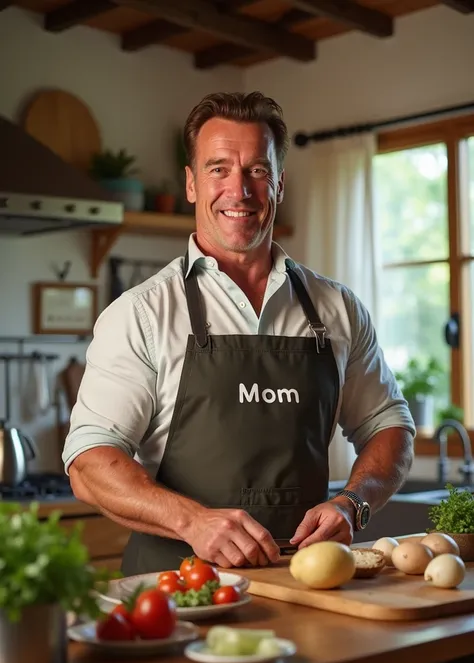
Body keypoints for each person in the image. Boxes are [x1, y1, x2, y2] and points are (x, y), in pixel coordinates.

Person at [63, 92, 415, 576]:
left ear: (280, 184)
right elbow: (89, 460)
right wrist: (193, 522)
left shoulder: (338, 308)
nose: (239, 190)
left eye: (257, 171)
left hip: (306, 588)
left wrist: (354, 502)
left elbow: (389, 426)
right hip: (177, 596)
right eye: (218, 169)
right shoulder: (141, 313)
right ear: (190, 183)